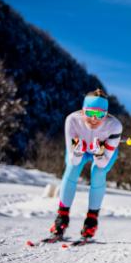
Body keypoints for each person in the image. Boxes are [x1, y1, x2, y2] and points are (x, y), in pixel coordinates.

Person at [49, 89, 122, 240]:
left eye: (100, 114)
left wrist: (98, 152)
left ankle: (91, 220)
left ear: (106, 114)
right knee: (72, 168)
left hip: (101, 154)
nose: (94, 119)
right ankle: (61, 218)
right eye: (90, 113)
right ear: (83, 111)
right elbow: (74, 160)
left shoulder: (114, 126)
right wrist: (77, 151)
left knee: (98, 173)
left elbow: (102, 164)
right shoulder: (72, 120)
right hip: (80, 150)